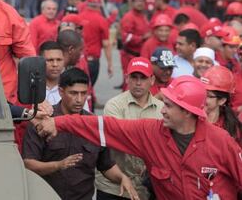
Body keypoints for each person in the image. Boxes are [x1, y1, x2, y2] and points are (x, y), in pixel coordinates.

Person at [37, 75, 242, 200]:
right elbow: (104, 126)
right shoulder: (150, 133)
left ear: (187, 112)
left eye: (169, 106)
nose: (162, 110)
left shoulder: (221, 142)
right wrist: (58, 122)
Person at [22, 68, 139, 200]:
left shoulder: (94, 125)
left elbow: (106, 166)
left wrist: (122, 177)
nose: (79, 99)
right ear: (61, 92)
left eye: (83, 94)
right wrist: (58, 165)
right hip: (47, 196)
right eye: (73, 93)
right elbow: (29, 164)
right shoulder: (43, 120)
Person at [96, 57, 163, 200]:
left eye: (143, 78)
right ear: (127, 79)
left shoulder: (162, 109)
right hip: (114, 185)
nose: (138, 83)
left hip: (146, 186)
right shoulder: (113, 105)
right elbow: (121, 138)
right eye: (134, 77)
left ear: (152, 80)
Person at [201, 65, 242, 147]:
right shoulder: (191, 119)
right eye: (201, 92)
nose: (202, 97)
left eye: (208, 95)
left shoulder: (232, 128)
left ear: (222, 100)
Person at [79, 0, 113, 86]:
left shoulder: (79, 17)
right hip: (92, 60)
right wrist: (110, 64)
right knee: (88, 88)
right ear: (99, 3)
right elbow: (106, 44)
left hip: (79, 59)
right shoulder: (102, 20)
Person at [120, 0, 151, 78]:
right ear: (132, 3)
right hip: (130, 56)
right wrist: (142, 38)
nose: (139, 3)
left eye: (142, 1)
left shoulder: (144, 16)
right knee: (129, 82)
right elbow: (125, 37)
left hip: (140, 55)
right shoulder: (129, 17)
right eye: (137, 1)